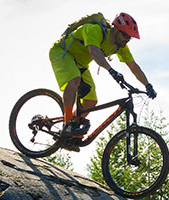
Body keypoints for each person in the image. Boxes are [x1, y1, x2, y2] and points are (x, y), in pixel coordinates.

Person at [48, 12, 156, 150]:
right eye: (125, 35)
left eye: (130, 38)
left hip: (80, 65)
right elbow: (94, 52)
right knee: (75, 80)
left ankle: (68, 136)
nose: (127, 40)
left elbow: (134, 67)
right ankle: (67, 124)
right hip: (62, 53)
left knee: (91, 101)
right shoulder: (95, 30)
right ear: (116, 29)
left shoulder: (120, 47)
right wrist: (111, 70)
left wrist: (148, 85)